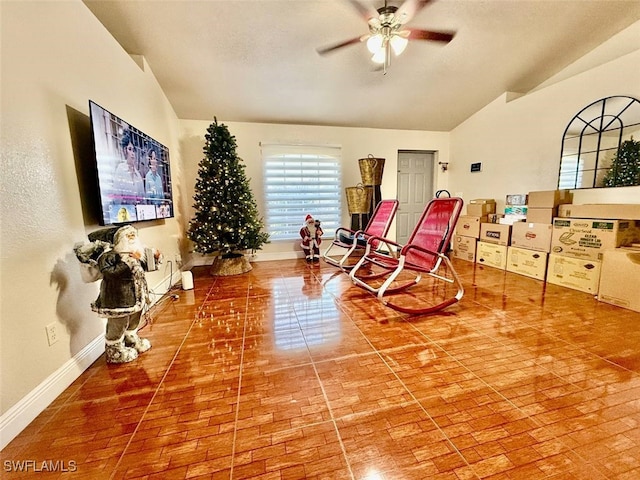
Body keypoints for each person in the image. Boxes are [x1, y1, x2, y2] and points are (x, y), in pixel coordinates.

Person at [88, 225, 161, 364]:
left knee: (134, 318)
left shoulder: (135, 253)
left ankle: (131, 339)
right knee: (118, 323)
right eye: (128, 236)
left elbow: (146, 266)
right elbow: (109, 272)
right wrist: (130, 261)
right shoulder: (108, 255)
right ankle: (114, 349)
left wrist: (155, 257)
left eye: (134, 235)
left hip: (136, 297)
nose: (132, 238)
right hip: (118, 299)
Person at [112, 131, 145, 204]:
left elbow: (143, 199)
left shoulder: (138, 175)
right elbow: (116, 196)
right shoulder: (120, 169)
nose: (132, 153)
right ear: (125, 151)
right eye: (130, 149)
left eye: (133, 150)